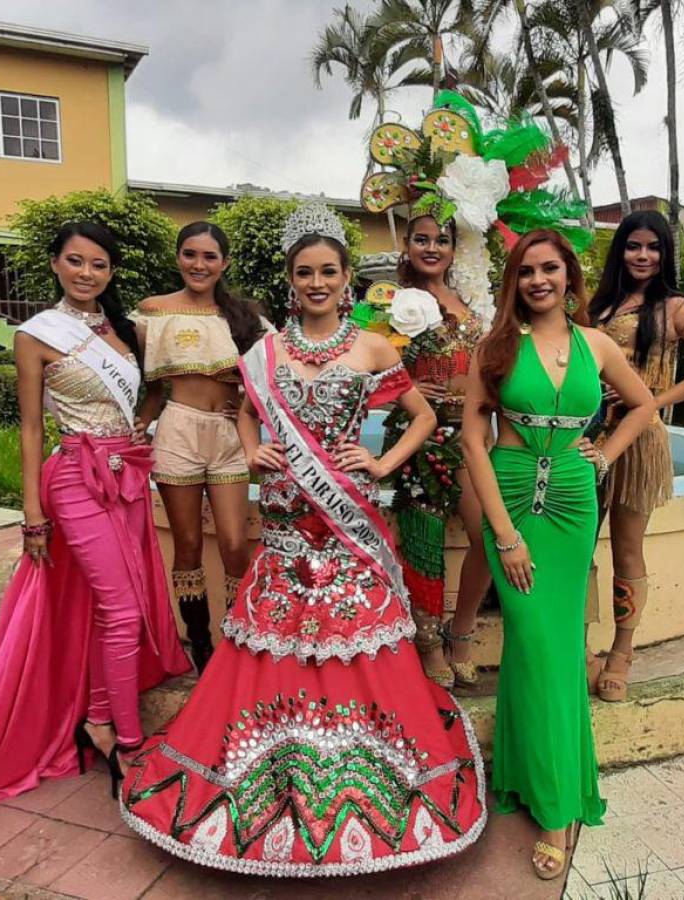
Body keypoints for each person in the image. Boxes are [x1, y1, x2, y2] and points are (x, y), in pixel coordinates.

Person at [119, 204, 486, 875]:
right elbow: (244, 412)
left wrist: (380, 463)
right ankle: (270, 750)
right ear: (291, 280)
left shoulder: (372, 347)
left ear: (346, 278)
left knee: (349, 631)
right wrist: (251, 450)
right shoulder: (266, 352)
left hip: (346, 512)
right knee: (279, 630)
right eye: (305, 273)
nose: (316, 283)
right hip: (288, 514)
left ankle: (364, 759)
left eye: (328, 272)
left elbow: (424, 417)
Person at [0, 222, 190, 825]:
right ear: (55, 264)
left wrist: (142, 424)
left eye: (98, 264)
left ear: (110, 272)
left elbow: (155, 390)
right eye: (75, 261)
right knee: (123, 609)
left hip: (126, 477)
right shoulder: (37, 335)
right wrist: (31, 515)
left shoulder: (126, 331)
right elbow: (28, 428)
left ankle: (97, 720)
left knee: (107, 608)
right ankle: (128, 744)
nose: (86, 273)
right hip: (74, 478)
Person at [461, 229, 656, 879]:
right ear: (513, 282)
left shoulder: (596, 345)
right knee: (535, 640)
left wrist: (606, 452)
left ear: (570, 275)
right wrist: (505, 536)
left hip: (573, 501)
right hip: (512, 498)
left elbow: (643, 405)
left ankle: (547, 793)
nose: (539, 280)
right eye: (526, 271)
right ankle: (545, 791)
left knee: (556, 646)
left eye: (550, 268)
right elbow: (472, 442)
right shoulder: (494, 348)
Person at [586, 210, 684, 702]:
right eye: (634, 246)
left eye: (653, 247)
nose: (643, 255)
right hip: (589, 437)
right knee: (578, 545)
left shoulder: (675, 308)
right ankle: (576, 647)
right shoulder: (598, 305)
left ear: (665, 254)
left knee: (628, 548)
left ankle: (621, 654)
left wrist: (654, 399)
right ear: (621, 250)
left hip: (640, 442)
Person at [133, 222, 269, 674]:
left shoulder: (244, 316)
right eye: (190, 254)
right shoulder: (153, 311)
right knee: (188, 544)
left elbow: (273, 375)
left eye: (210, 256)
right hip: (178, 431)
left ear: (224, 263)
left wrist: (248, 409)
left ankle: (237, 635)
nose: (199, 264)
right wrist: (141, 425)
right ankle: (201, 643)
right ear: (178, 257)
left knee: (234, 544)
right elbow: (150, 385)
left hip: (229, 435)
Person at [384, 214, 491, 689]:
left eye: (441, 240)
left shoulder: (472, 299)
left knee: (488, 536)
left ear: (454, 247)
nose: (431, 248)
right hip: (419, 437)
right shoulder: (388, 302)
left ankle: (460, 633)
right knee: (423, 544)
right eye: (421, 239)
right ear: (406, 245)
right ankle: (428, 643)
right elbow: (365, 368)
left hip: (470, 435)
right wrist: (403, 388)